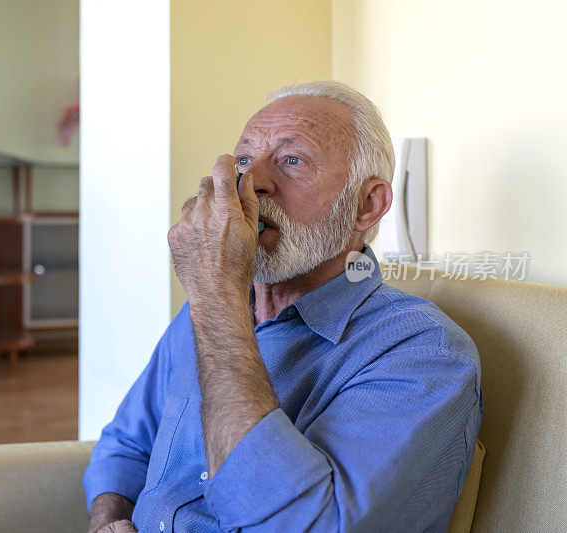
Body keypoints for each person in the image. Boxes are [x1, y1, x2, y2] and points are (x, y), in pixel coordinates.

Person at [83, 81, 482, 532]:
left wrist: (216, 299)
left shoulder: (421, 351)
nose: (252, 185)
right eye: (245, 160)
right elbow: (126, 443)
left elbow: (300, 525)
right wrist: (109, 518)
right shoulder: (211, 308)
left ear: (367, 205)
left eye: (293, 160)